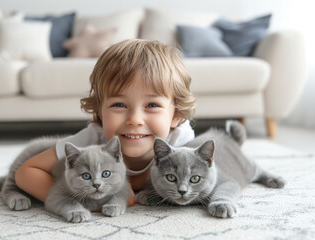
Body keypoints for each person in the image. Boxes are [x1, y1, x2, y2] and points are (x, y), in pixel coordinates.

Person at [15, 39, 196, 206]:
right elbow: (27, 172)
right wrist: (86, 203)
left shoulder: (180, 142)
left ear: (176, 115)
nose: (134, 119)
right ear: (100, 110)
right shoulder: (91, 140)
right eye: (119, 104)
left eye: (152, 105)